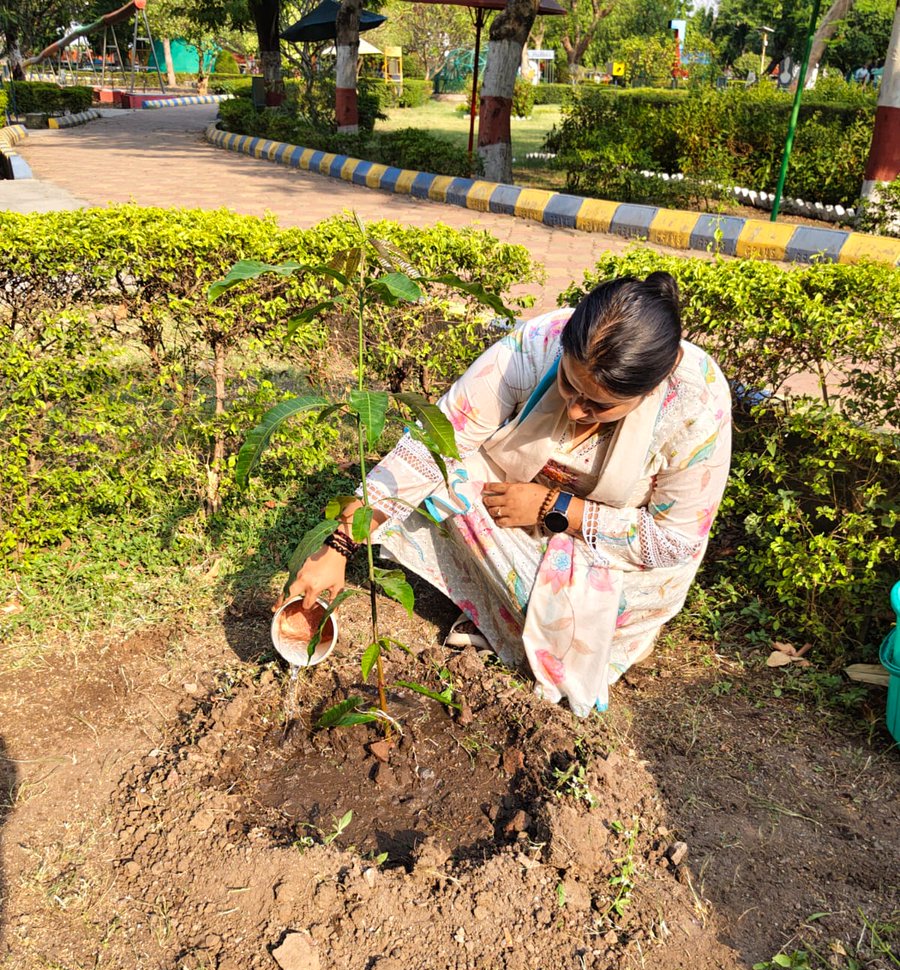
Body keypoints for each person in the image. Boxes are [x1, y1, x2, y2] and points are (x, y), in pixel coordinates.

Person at [281, 272, 732, 717]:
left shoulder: (697, 404)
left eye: (599, 405)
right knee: (439, 483)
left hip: (612, 545)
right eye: (569, 385)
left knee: (604, 609)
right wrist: (340, 544)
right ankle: (517, 615)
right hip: (510, 496)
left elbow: (675, 541)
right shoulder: (538, 343)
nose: (576, 409)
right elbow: (437, 443)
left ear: (651, 389)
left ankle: (523, 618)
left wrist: (555, 507)